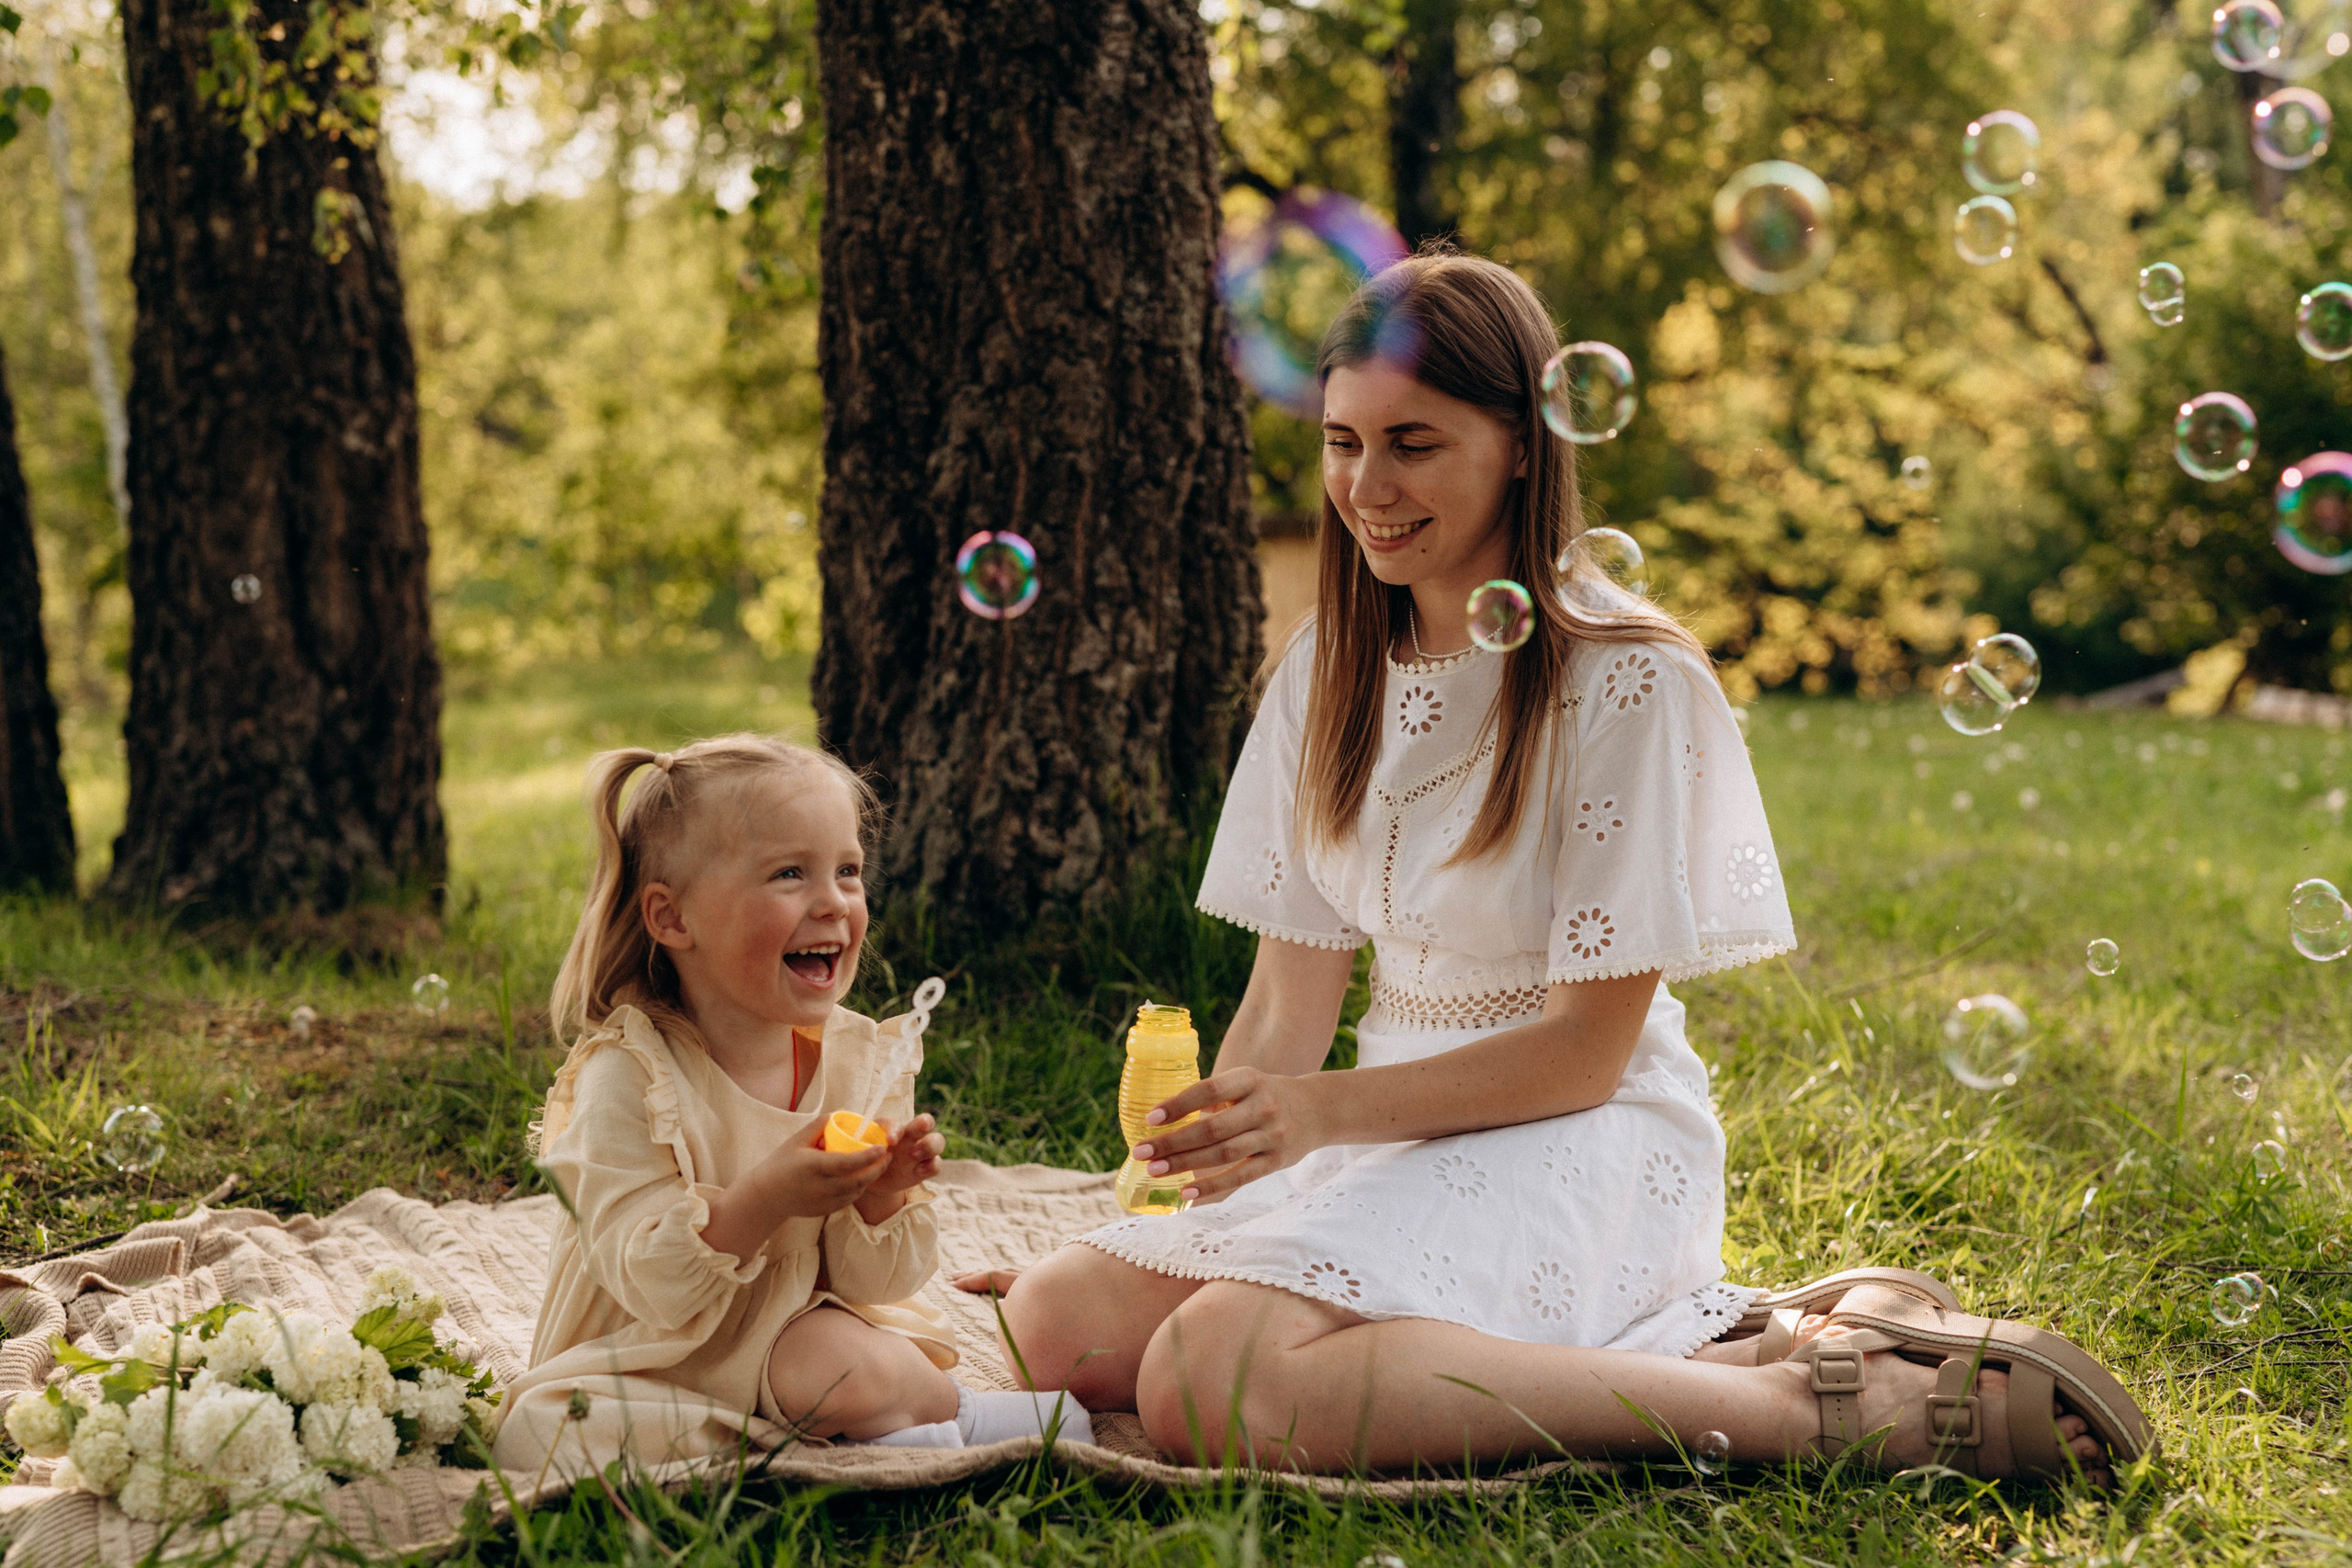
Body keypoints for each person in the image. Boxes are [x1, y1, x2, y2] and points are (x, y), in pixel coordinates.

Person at [956, 253, 2150, 1483]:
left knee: (1213, 1377)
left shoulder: (1625, 678)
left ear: (1525, 445)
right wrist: (1185, 1197)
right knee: (1057, 1323)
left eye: (1414, 443)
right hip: (1377, 1130)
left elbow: (1584, 1051)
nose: (1368, 487)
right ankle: (1764, 1336)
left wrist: (1313, 1119)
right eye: (1342, 442)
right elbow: (1286, 1003)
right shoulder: (1323, 669)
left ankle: (1806, 1405)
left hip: (1580, 1129)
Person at [494, 735, 1088, 1476]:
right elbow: (655, 1283)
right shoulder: (631, 1075)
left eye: (848, 871)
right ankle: (848, 1444)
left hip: (793, 1342)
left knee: (841, 1365)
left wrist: (882, 1195)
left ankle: (942, 1415)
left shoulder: (861, 1060)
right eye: (789, 873)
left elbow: (875, 1285)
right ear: (672, 918)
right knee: (541, 1432)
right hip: (646, 1359)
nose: (833, 900)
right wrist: (768, 1195)